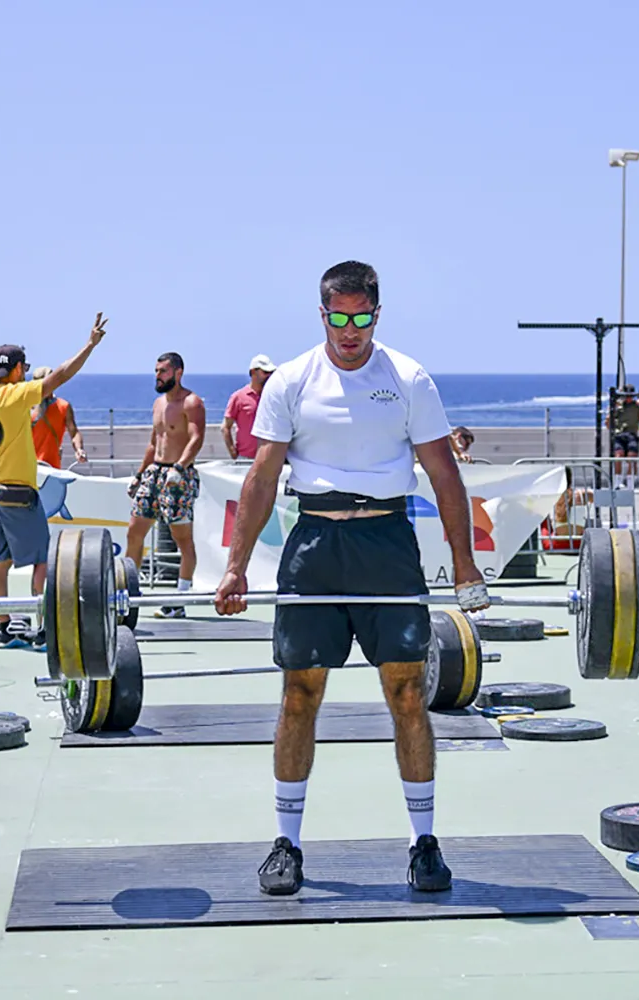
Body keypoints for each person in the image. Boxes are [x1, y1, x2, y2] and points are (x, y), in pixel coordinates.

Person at [215, 260, 490, 897]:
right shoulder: (290, 380)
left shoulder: (408, 378)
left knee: (405, 694)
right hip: (315, 545)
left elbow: (445, 475)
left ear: (376, 314)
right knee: (299, 696)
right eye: (338, 317)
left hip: (387, 545)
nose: (349, 330)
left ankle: (424, 843)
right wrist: (234, 566)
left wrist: (466, 563)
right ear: (322, 315)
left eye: (361, 317)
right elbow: (260, 481)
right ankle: (286, 844)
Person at [0, 323, 108, 649]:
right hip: (18, 492)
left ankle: (4, 630)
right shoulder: (16, 394)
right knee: (43, 561)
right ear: (17, 369)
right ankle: (43, 630)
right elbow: (59, 376)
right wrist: (89, 345)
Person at [126, 352, 205, 619]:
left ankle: (179, 599)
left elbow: (196, 439)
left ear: (177, 373)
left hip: (178, 476)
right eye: (156, 371)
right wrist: (138, 476)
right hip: (154, 473)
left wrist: (179, 468)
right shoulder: (158, 403)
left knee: (182, 539)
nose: (158, 376)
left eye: (163, 371)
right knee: (134, 531)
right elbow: (153, 442)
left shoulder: (191, 402)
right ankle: (129, 592)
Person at [28, 366, 87, 468]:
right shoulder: (26, 406)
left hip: (52, 467)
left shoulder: (63, 406)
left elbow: (74, 432)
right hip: (28, 467)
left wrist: (79, 449)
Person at [221, 354, 275, 461]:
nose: (269, 376)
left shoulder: (273, 397)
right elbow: (225, 427)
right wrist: (233, 452)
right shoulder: (238, 397)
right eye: (265, 372)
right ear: (253, 372)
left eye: (271, 373)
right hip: (246, 458)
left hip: (269, 459)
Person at [607, 385, 639, 485]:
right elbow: (608, 425)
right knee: (618, 456)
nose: (628, 398)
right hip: (619, 435)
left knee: (632, 458)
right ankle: (617, 483)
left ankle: (630, 485)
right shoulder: (618, 407)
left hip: (632, 434)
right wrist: (611, 410)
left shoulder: (637, 406)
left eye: (630, 396)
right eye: (626, 396)